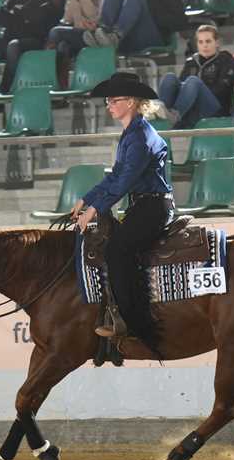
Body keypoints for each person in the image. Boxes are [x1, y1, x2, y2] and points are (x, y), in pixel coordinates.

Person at [71, 72, 173, 353]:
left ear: (130, 102)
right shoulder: (132, 134)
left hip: (153, 207)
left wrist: (94, 209)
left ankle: (134, 322)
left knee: (118, 250)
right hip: (142, 205)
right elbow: (116, 175)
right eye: (108, 101)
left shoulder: (140, 137)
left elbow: (124, 181)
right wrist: (86, 198)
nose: (109, 106)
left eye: (113, 100)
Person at [47, 0, 111, 87]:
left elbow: (103, 17)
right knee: (63, 46)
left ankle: (45, 71)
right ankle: (61, 89)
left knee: (55, 32)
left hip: (95, 35)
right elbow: (68, 19)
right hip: (79, 36)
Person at [158, 24, 234, 130]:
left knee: (193, 81)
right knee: (170, 78)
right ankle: (161, 116)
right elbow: (181, 87)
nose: (204, 45)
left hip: (215, 109)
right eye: (201, 42)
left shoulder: (226, 60)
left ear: (217, 43)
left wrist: (197, 90)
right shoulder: (191, 62)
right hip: (190, 109)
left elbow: (222, 89)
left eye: (208, 41)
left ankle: (173, 116)